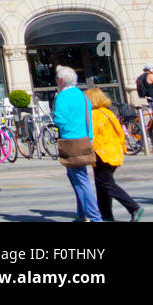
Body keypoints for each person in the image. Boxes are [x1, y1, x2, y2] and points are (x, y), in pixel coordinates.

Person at [87, 88, 142, 222]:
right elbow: (120, 132)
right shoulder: (108, 112)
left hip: (102, 153)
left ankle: (133, 207)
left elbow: (91, 135)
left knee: (106, 184)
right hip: (113, 152)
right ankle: (106, 215)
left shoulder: (94, 115)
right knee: (102, 185)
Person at [52, 66, 100, 221]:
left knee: (80, 179)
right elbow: (89, 118)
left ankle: (94, 217)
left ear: (62, 80)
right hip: (84, 139)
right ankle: (81, 215)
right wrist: (90, 137)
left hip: (71, 141)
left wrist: (58, 122)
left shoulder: (62, 97)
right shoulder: (82, 95)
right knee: (77, 176)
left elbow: (59, 120)